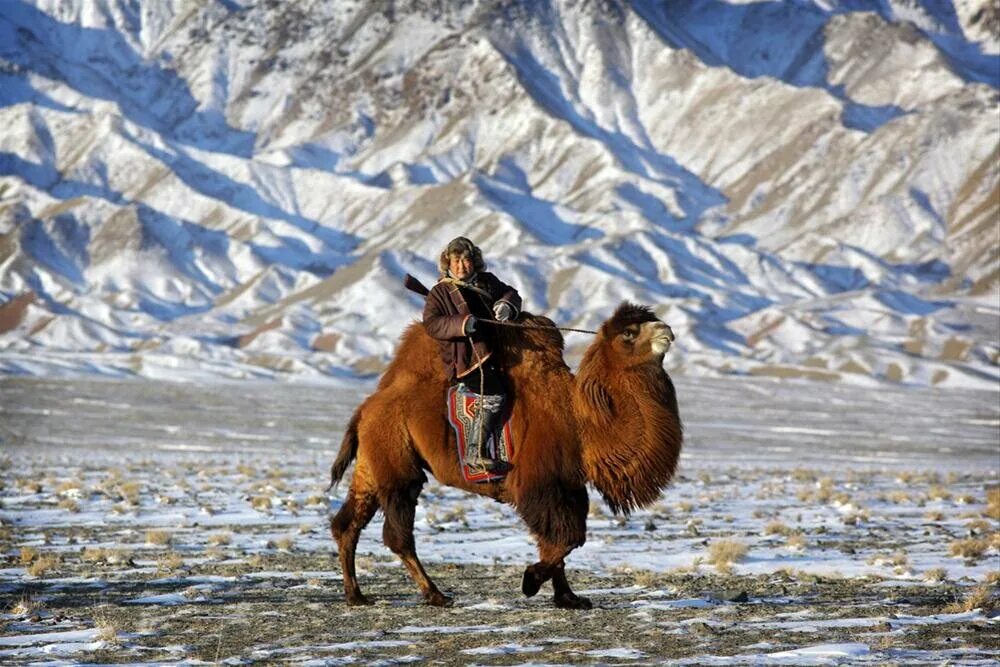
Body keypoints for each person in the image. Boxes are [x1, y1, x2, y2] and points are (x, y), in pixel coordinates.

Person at [422, 237, 521, 471]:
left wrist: (506, 305)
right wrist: (461, 324)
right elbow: (432, 324)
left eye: (465, 260)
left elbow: (510, 293)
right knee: (494, 396)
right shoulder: (441, 292)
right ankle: (475, 453)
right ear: (448, 263)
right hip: (466, 360)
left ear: (474, 261)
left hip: (495, 354)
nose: (460, 266)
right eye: (455, 261)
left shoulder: (487, 282)